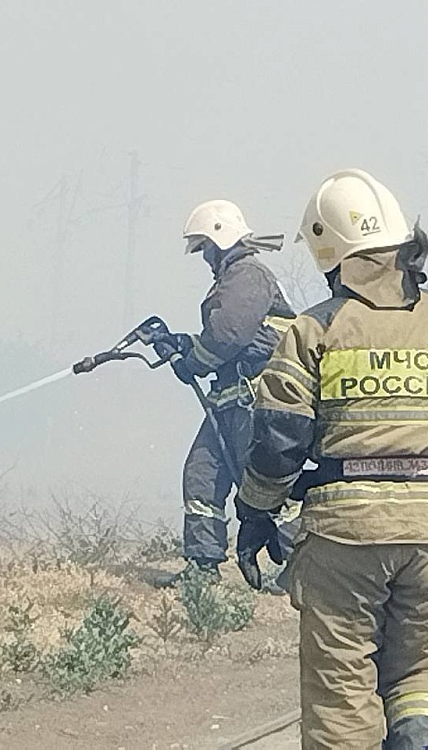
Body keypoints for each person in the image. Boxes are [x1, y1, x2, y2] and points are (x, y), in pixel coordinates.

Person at [234, 169, 428, 749]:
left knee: (342, 695)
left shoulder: (313, 330)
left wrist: (255, 513)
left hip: (344, 539)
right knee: (422, 677)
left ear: (330, 253)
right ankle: (421, 738)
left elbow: (278, 442)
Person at [152, 199, 295, 588]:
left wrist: (193, 361)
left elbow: (229, 335)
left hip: (258, 400)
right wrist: (185, 345)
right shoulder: (234, 278)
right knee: (201, 475)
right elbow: (221, 338)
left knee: (267, 482)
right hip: (230, 400)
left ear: (221, 239)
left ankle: (301, 568)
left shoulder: (248, 274)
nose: (204, 257)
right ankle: (203, 566)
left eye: (205, 248)